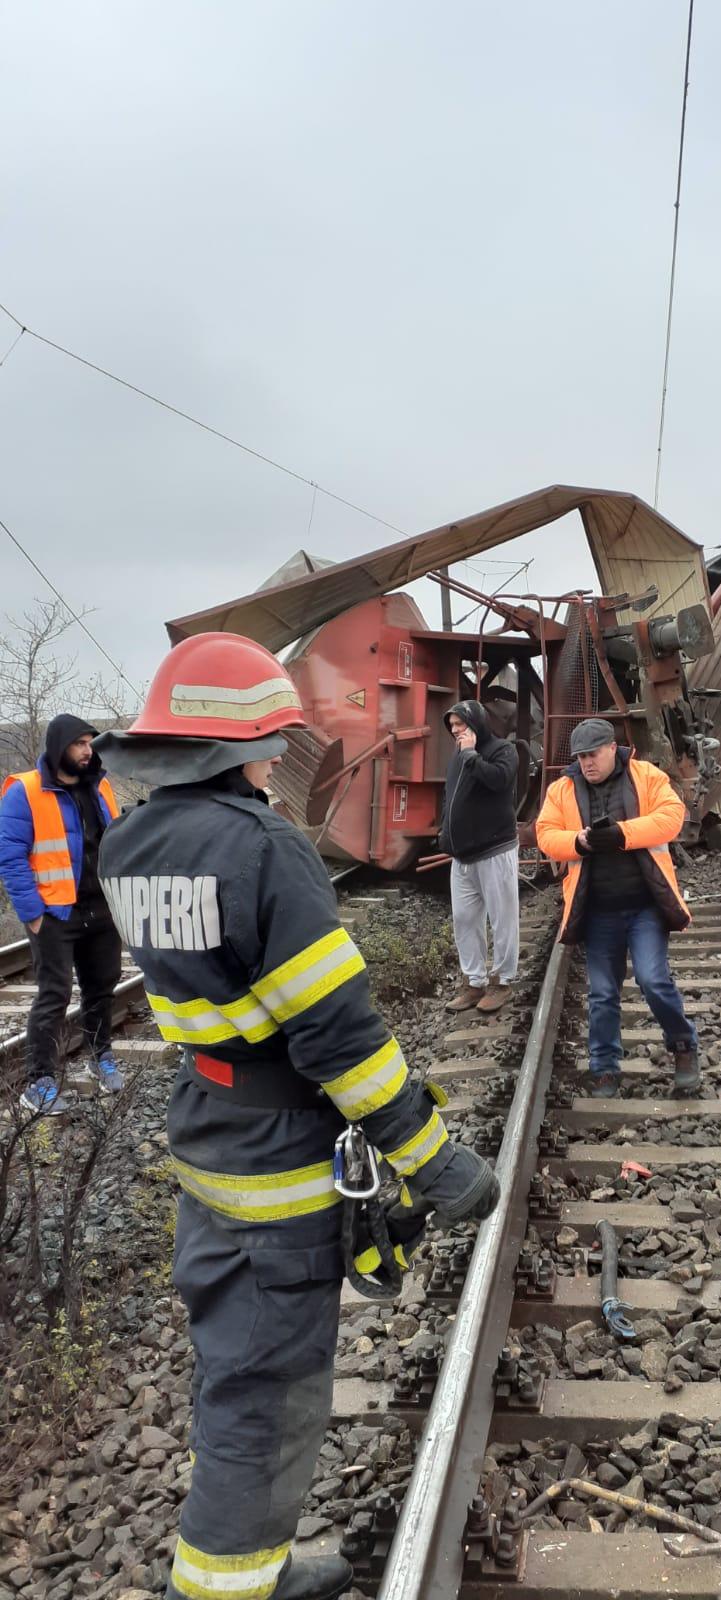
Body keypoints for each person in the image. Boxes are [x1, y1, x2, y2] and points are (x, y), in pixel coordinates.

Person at [94, 632, 499, 1600]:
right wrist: (433, 1160)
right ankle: (229, 1585)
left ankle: (248, 1565)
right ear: (239, 745)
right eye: (273, 741)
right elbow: (337, 1037)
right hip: (276, 1151)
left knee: (232, 1361)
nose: (278, 758)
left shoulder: (130, 840)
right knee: (267, 1393)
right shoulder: (262, 846)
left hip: (208, 1131)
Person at [535, 718, 700, 1098]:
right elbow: (546, 834)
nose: (587, 763)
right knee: (602, 993)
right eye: (581, 757)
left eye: (593, 754)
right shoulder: (562, 789)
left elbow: (672, 817)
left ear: (612, 748)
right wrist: (578, 842)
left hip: (644, 907)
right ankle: (604, 1069)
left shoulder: (646, 776)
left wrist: (622, 834)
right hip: (598, 911)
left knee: (653, 980)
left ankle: (684, 1046)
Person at [0, 714, 125, 1113]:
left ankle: (100, 1056)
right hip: (55, 912)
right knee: (54, 994)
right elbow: (11, 857)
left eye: (90, 743)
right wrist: (33, 913)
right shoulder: (25, 790)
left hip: (100, 907)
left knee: (102, 986)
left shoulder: (100, 785)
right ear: (59, 747)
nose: (88, 751)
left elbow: (117, 842)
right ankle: (39, 1081)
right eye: (79, 743)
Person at [439, 700, 520, 1014]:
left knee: (502, 918)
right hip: (462, 857)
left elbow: (499, 780)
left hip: (494, 850)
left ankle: (502, 981)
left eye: (460, 724)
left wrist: (472, 755)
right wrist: (445, 831)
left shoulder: (503, 750)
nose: (455, 730)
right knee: (464, 920)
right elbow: (451, 796)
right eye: (452, 725)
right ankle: (474, 983)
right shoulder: (458, 756)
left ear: (477, 722)